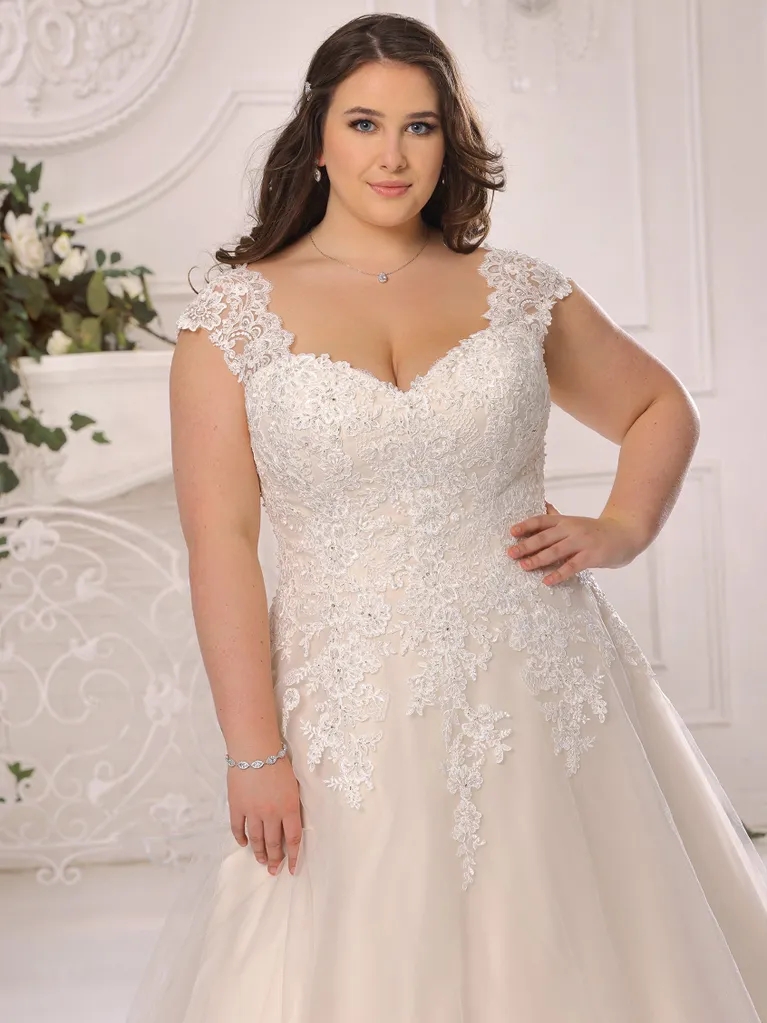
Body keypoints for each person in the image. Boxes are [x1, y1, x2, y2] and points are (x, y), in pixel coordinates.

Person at [127, 12, 767, 1023]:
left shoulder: (515, 292)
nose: (392, 155)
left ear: (448, 140)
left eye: (419, 127)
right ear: (316, 136)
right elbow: (222, 544)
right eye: (364, 124)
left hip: (542, 692)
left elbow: (657, 407)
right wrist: (252, 752)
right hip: (346, 711)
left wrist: (619, 528)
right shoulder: (231, 321)